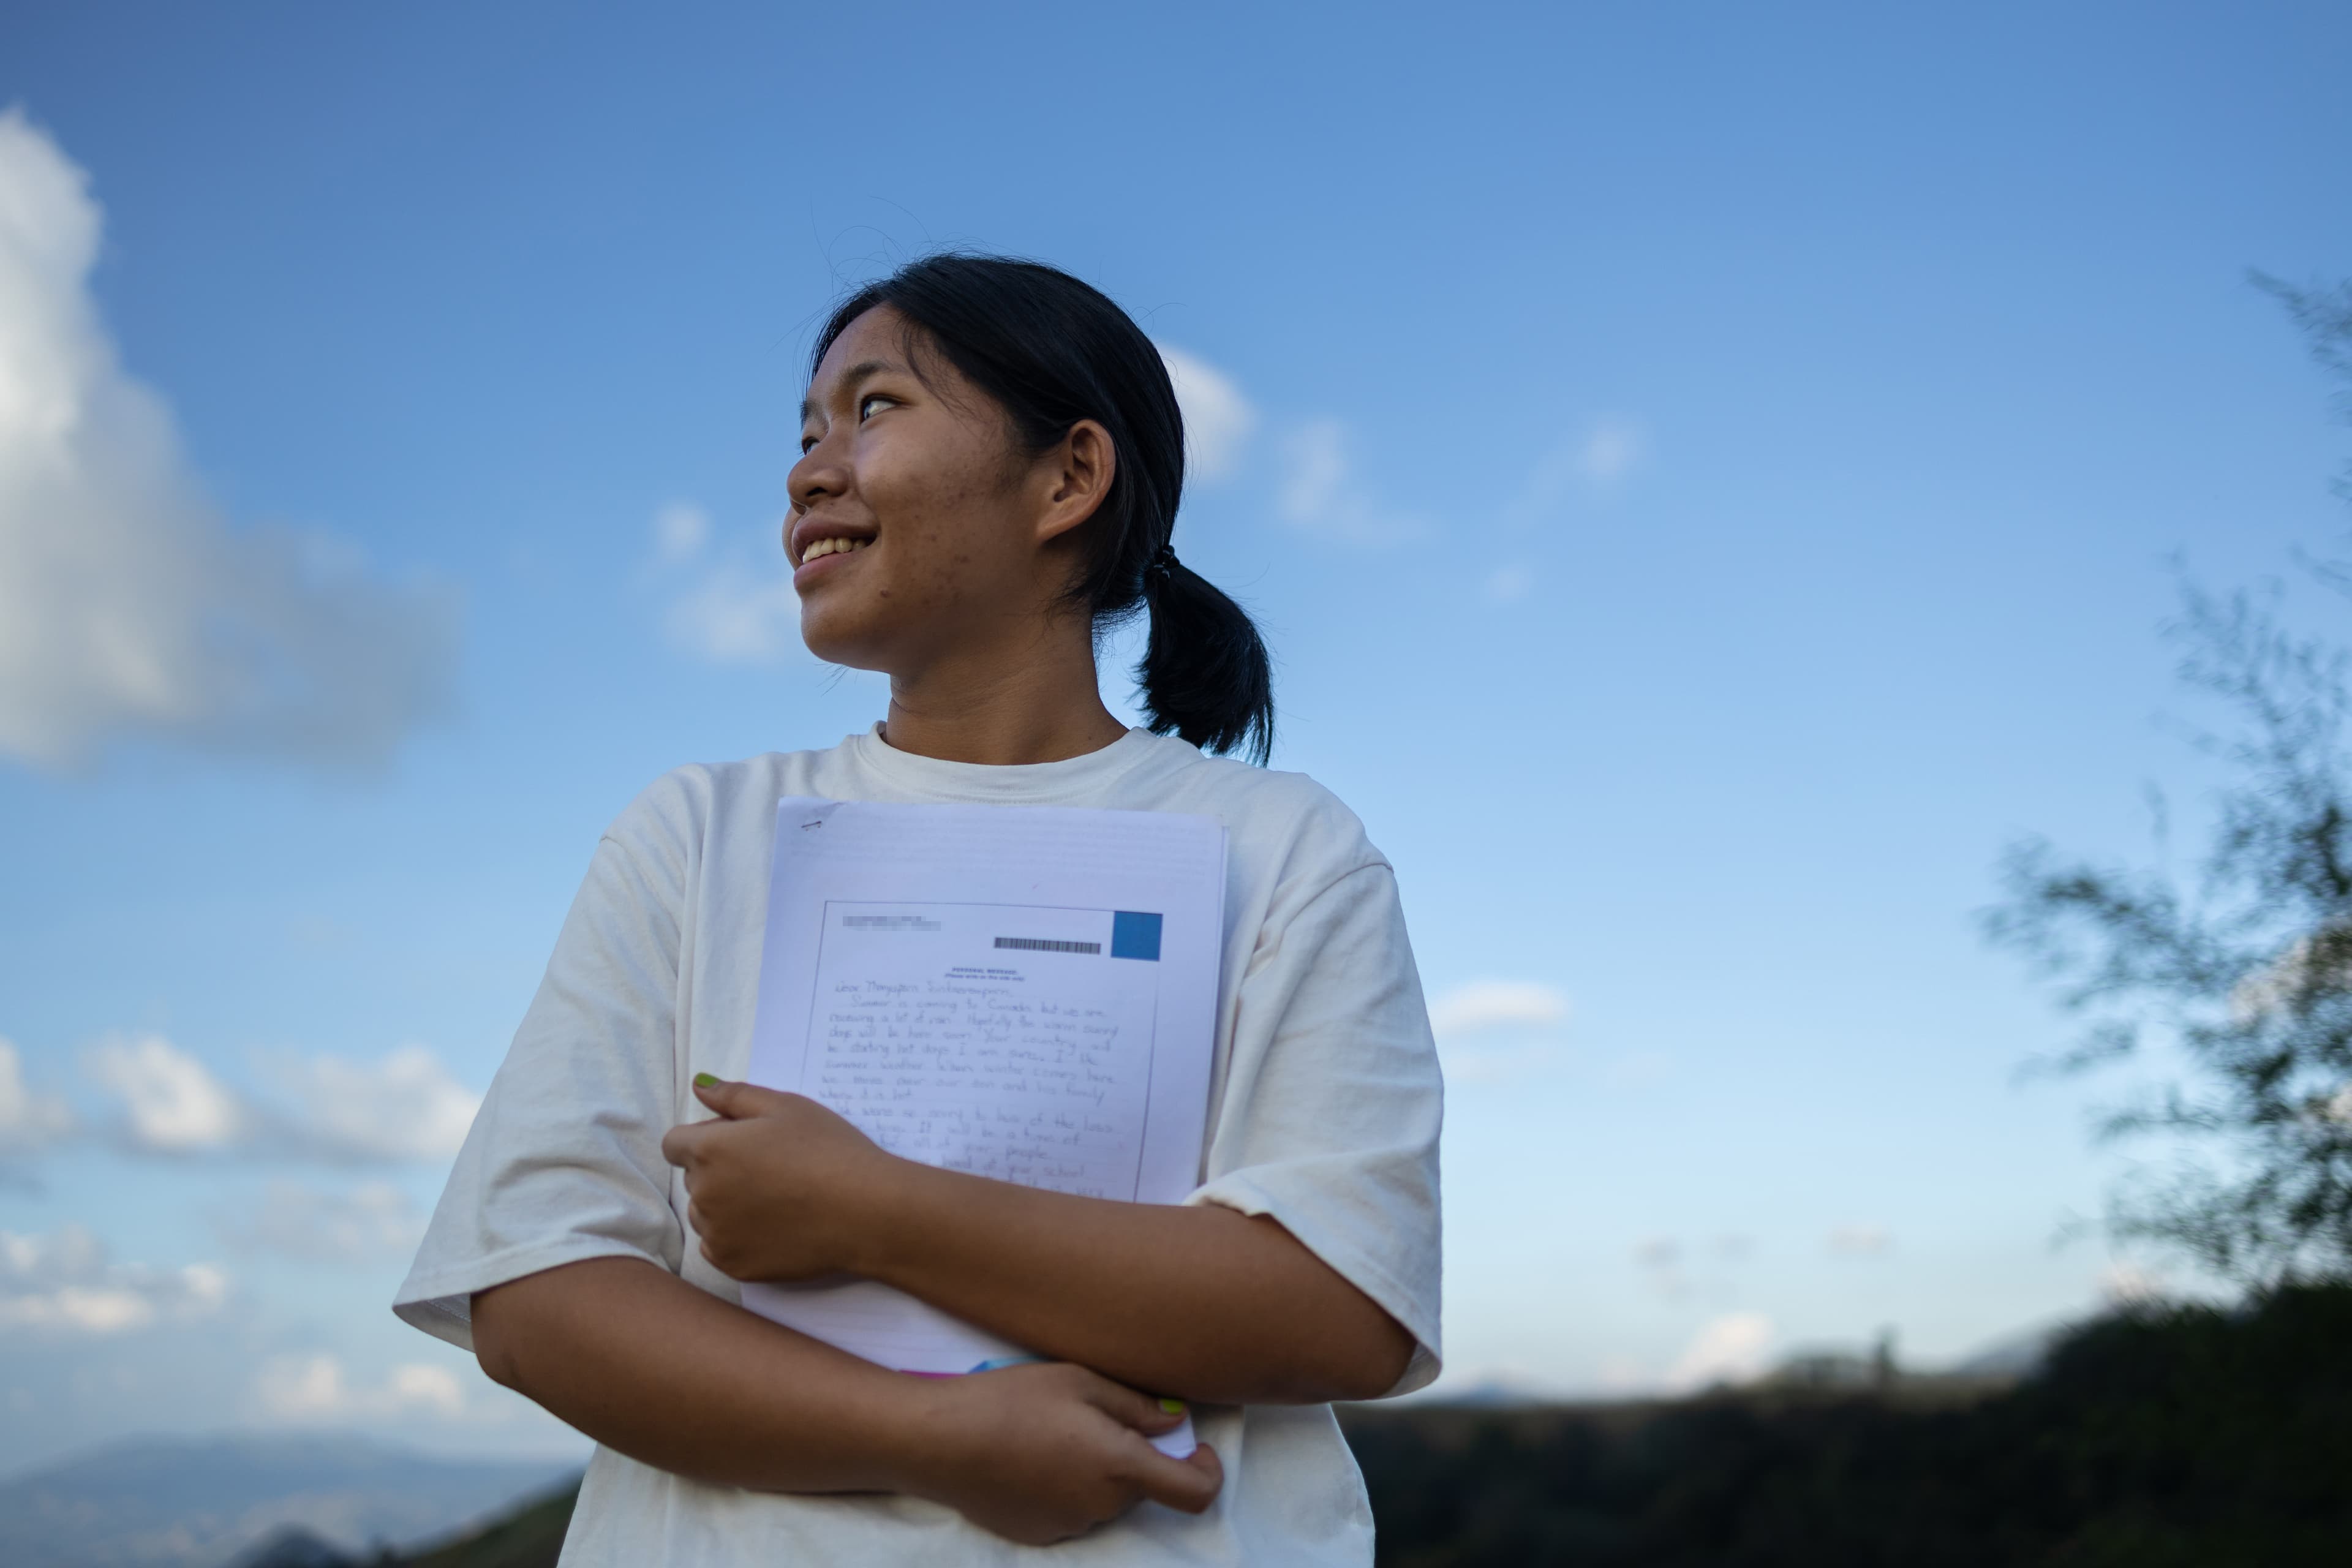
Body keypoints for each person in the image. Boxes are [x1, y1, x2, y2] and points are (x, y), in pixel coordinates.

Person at [392, 254, 1444, 1563]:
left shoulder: (1284, 851)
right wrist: (935, 1436)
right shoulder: (696, 836)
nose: (808, 474)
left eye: (874, 408)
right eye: (805, 434)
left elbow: (1346, 1303)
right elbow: (534, 1293)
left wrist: (873, 1209)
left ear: (1068, 477)